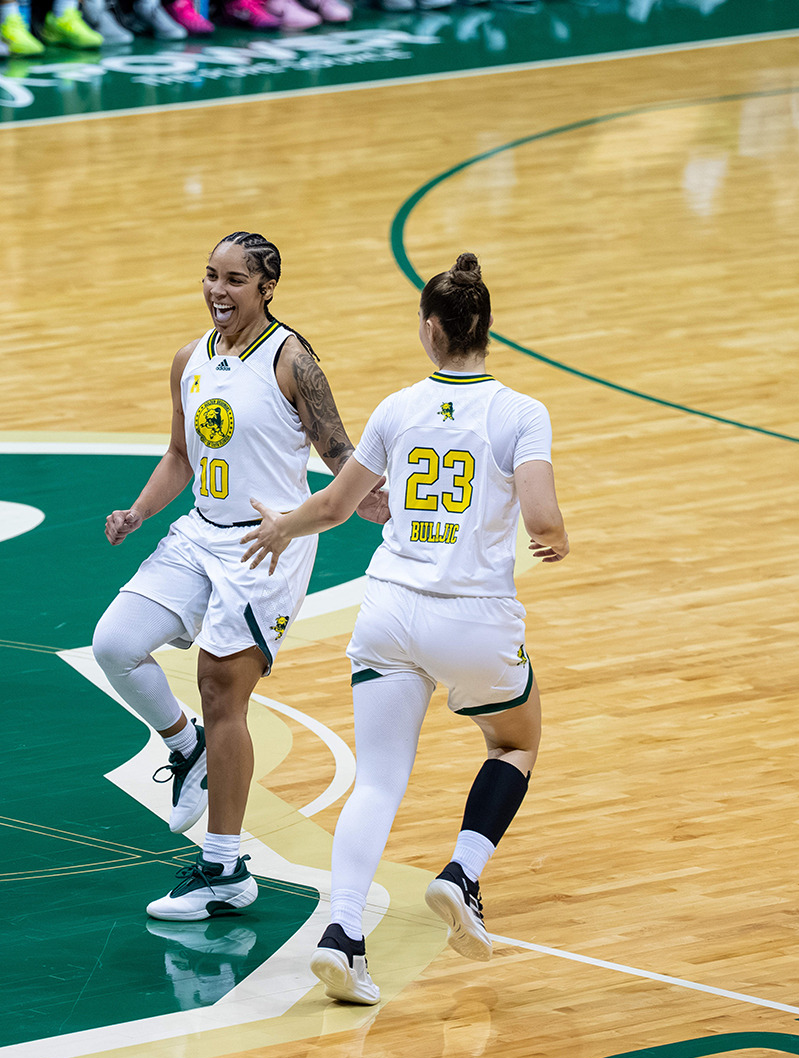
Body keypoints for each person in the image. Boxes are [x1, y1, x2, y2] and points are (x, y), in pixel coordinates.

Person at [240, 253, 569, 1004]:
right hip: (473, 617)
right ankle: (462, 873)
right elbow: (543, 517)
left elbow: (333, 506)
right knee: (515, 741)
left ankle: (344, 934)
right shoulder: (521, 412)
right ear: (486, 329)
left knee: (379, 780)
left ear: (431, 330)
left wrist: (280, 528)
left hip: (388, 609)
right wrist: (555, 536)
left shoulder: (396, 408)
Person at [95, 231, 388, 923]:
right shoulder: (188, 359)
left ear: (266, 288)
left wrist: (367, 493)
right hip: (197, 534)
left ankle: (224, 869)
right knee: (114, 642)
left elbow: (337, 445)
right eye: (210, 277)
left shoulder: (292, 360)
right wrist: (137, 512)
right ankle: (182, 743)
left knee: (223, 690)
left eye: (233, 280)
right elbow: (178, 453)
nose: (217, 292)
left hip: (267, 545)